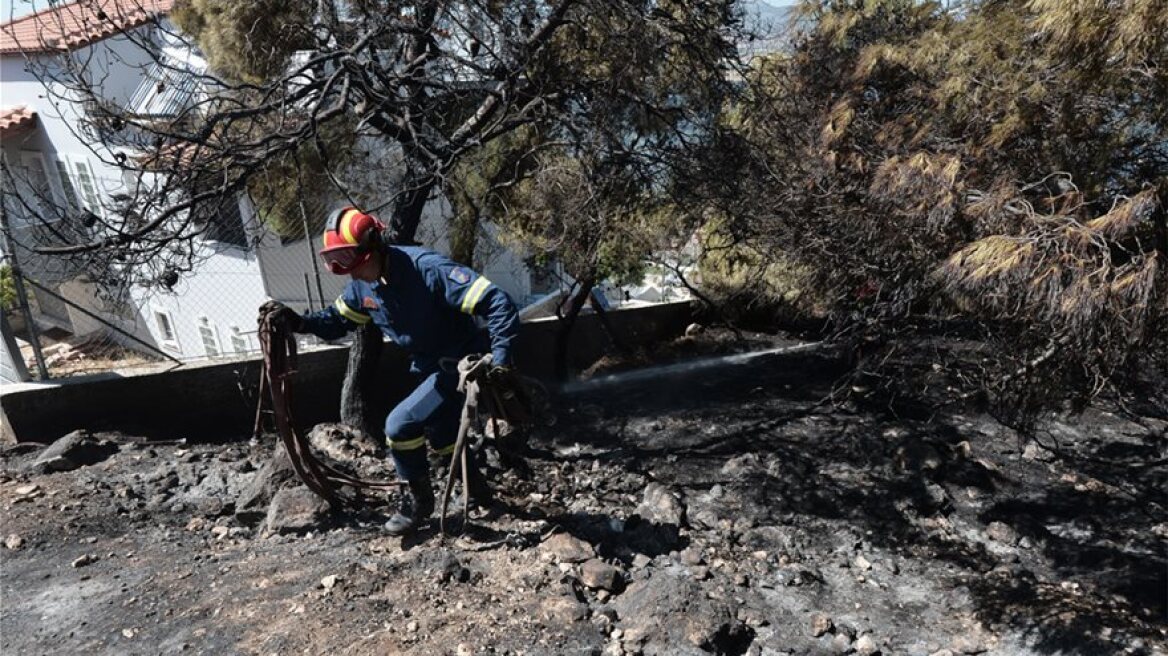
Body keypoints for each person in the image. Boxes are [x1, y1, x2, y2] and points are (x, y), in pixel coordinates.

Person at [261, 206, 521, 535]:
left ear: (374, 246)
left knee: (400, 426)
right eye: (338, 261)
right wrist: (297, 322)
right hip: (427, 366)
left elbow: (498, 302)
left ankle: (418, 504)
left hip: (459, 364)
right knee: (442, 436)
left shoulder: (427, 270)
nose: (349, 271)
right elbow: (336, 321)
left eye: (351, 258)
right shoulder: (362, 286)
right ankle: (480, 493)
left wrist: (500, 359)